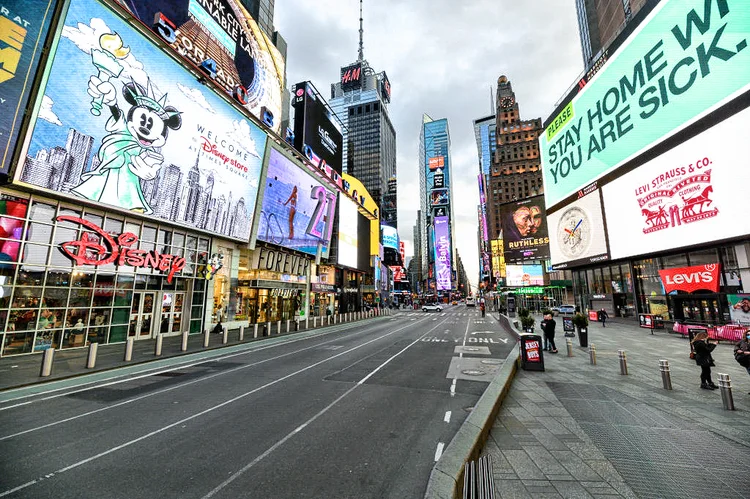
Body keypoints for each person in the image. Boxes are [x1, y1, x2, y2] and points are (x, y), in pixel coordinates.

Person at [734, 329, 750, 394]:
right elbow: (736, 346)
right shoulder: (742, 341)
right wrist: (738, 350)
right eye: (748, 334)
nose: (749, 336)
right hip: (746, 361)